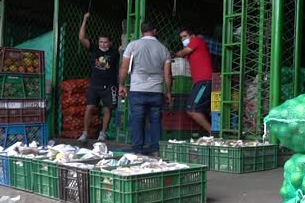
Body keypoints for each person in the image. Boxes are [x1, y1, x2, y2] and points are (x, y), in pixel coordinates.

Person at [119, 20, 172, 156]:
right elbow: (167, 74)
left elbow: (124, 67)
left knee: (137, 119)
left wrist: (121, 84)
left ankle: (138, 151)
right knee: (155, 120)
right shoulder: (163, 49)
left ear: (142, 31)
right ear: (155, 31)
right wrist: (168, 92)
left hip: (137, 89)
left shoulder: (133, 45)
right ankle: (156, 150)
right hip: (156, 91)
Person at [78, 12, 120, 142]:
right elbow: (81, 38)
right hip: (94, 85)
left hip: (109, 85)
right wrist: (85, 20)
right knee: (89, 107)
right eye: (101, 42)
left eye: (105, 42)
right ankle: (85, 133)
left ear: (110, 43)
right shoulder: (94, 48)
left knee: (108, 109)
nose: (103, 44)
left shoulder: (115, 52)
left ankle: (103, 133)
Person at [174, 27, 213, 132]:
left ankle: (213, 133)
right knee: (197, 109)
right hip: (199, 82)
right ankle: (212, 132)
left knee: (193, 110)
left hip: (204, 81)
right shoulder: (191, 53)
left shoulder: (197, 40)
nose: (183, 39)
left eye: (185, 36)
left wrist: (172, 54)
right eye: (181, 38)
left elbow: (181, 53)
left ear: (192, 36)